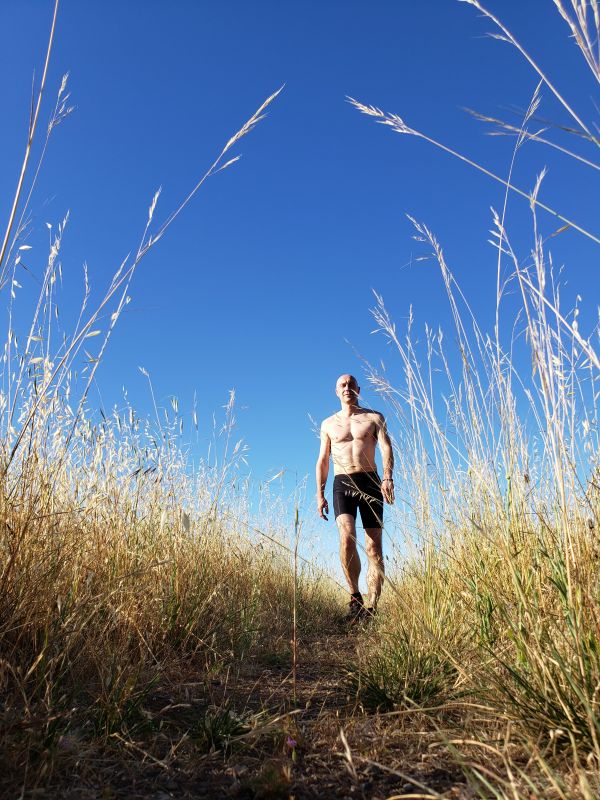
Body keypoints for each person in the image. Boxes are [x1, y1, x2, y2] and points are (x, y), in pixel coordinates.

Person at [315, 374, 394, 622]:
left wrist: (388, 477)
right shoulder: (328, 424)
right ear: (336, 391)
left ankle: (372, 607)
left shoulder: (374, 417)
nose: (347, 387)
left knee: (373, 548)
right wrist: (320, 494)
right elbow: (323, 460)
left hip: (370, 481)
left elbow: (385, 447)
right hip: (342, 482)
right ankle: (355, 597)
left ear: (358, 389)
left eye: (351, 384)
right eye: (342, 384)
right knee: (347, 538)